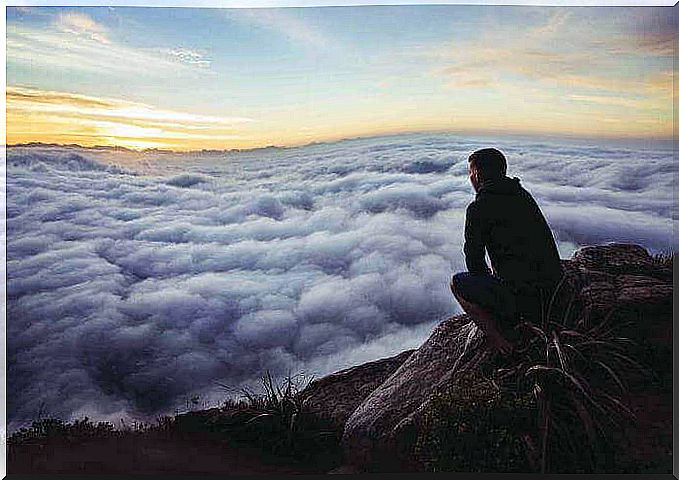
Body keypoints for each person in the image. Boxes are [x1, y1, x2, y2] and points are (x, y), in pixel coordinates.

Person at [451, 148, 563, 355]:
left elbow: (474, 263)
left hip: (524, 301)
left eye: (470, 174)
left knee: (457, 283)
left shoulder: (478, 208)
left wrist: (495, 284)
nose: (470, 179)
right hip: (555, 293)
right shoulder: (522, 194)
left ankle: (505, 343)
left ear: (476, 175)